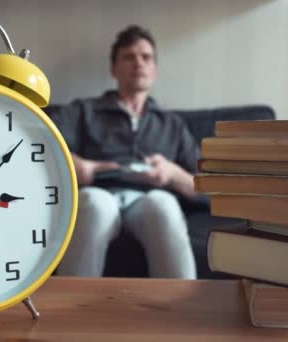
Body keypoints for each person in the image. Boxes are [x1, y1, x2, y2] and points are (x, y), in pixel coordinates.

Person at [51, 25, 198, 279]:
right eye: (129, 57)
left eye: (146, 57)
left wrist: (172, 174)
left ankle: (182, 313)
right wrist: (78, 166)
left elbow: (208, 188)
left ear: (155, 70)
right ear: (113, 68)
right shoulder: (83, 111)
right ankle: (71, 312)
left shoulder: (171, 124)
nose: (138, 63)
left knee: (163, 204)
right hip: (99, 193)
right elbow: (45, 148)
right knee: (96, 205)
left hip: (148, 199)